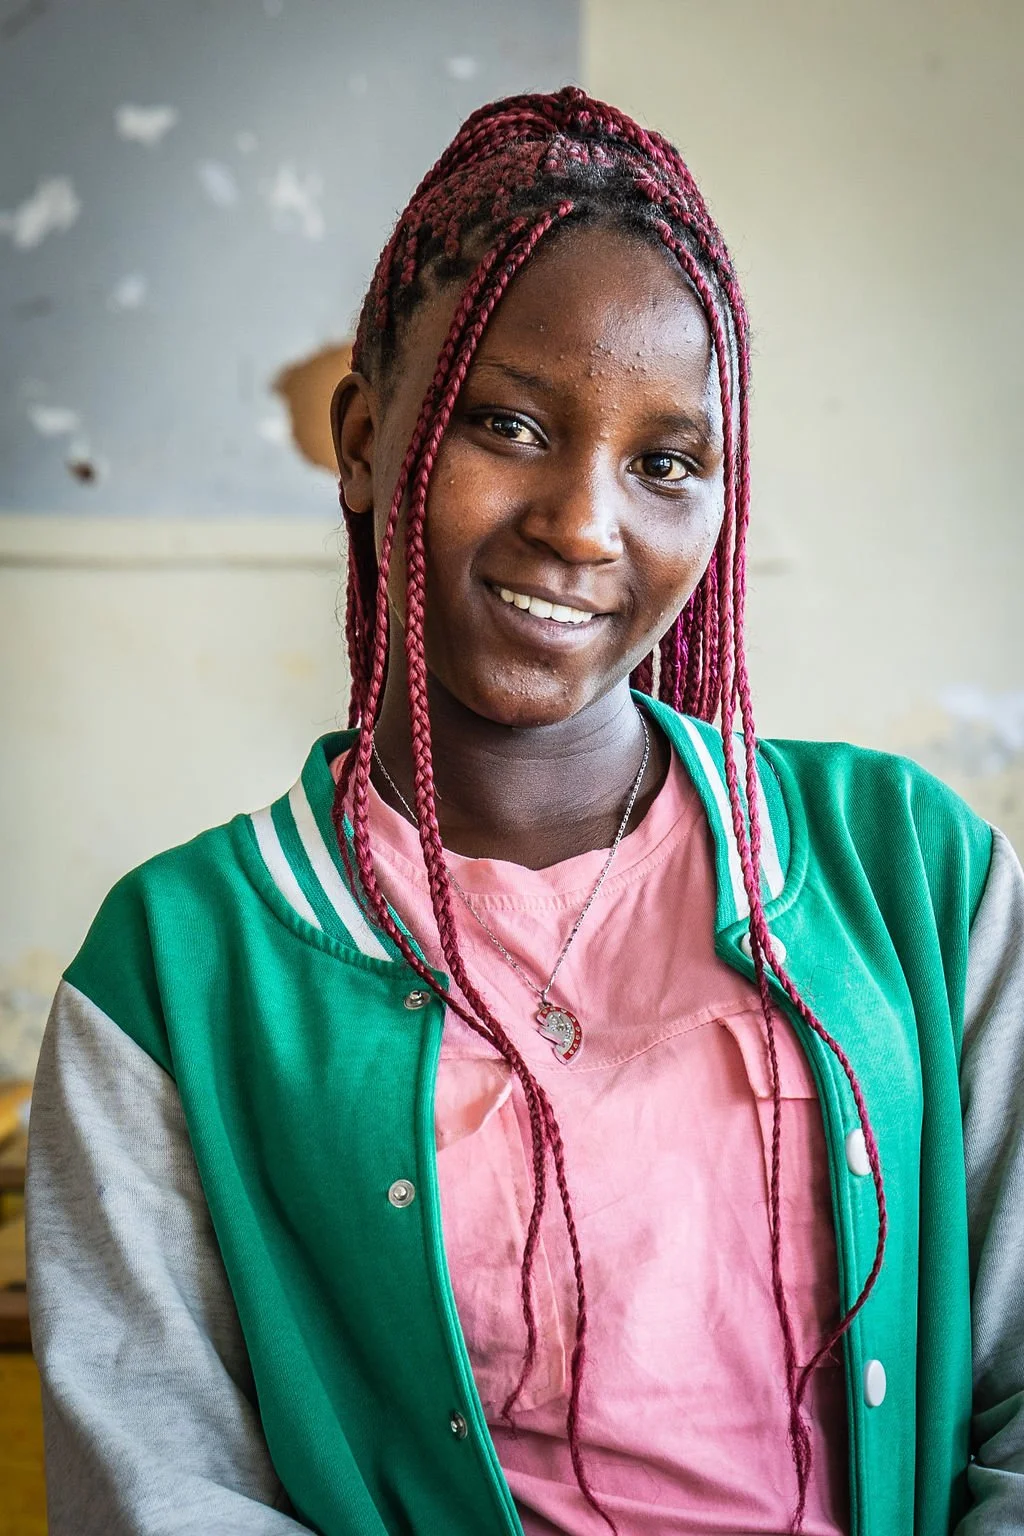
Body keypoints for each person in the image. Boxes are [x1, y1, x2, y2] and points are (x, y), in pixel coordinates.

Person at [25, 87, 1023, 1536]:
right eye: (509, 422)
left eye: (665, 461)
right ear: (364, 443)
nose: (585, 521)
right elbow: (156, 1488)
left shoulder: (918, 878)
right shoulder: (176, 977)